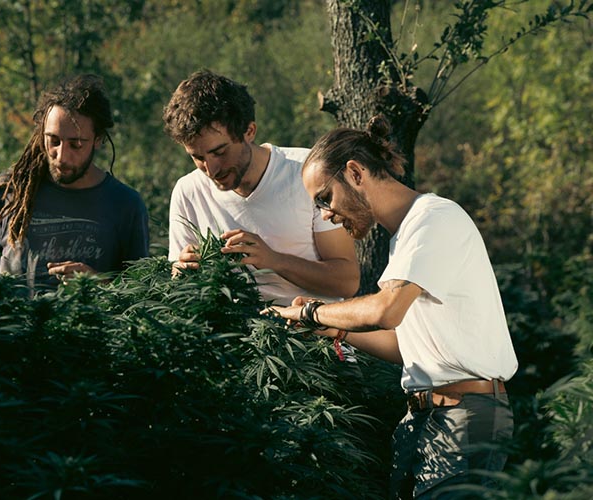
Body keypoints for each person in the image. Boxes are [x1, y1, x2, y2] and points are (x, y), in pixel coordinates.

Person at [266, 116, 519, 498]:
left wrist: (308, 312)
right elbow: (405, 346)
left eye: (324, 198)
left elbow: (386, 310)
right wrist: (335, 329)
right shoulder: (402, 239)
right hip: (425, 418)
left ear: (354, 172)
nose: (326, 215)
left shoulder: (433, 219)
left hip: (464, 416)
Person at [162, 70, 359, 306]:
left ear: (249, 131)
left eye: (219, 152)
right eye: (197, 157)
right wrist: (182, 272)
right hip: (230, 334)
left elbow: (347, 282)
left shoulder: (307, 175)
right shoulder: (188, 191)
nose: (211, 169)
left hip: (311, 332)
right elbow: (176, 284)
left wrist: (274, 260)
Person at [0, 74, 149, 293]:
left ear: (98, 140)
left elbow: (141, 295)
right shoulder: (8, 190)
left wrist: (97, 284)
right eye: (53, 141)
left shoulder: (126, 204)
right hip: (16, 326)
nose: (61, 156)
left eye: (75, 144)